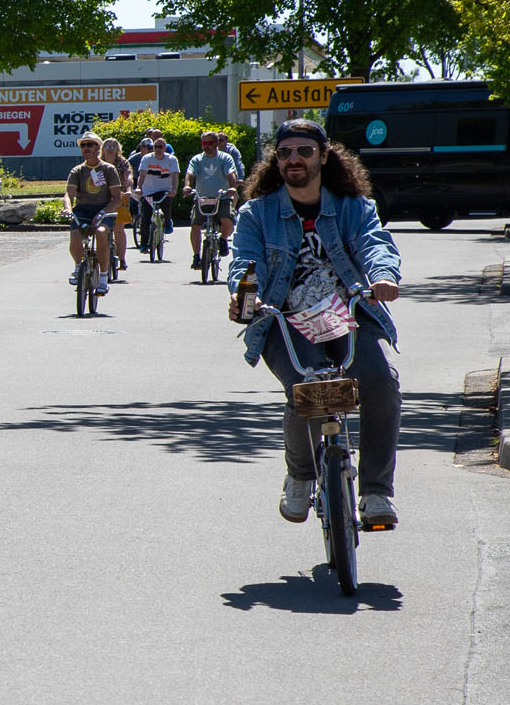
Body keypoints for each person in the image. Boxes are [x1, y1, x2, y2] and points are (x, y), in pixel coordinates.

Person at [227, 118, 402, 528]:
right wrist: (241, 293)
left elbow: (374, 243)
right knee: (308, 388)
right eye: (285, 152)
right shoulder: (257, 213)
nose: (294, 159)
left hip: (350, 315)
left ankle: (376, 492)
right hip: (286, 321)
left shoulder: (353, 207)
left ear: (324, 156)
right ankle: (301, 475)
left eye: (304, 151)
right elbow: (244, 260)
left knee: (380, 383)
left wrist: (383, 277)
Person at [62, 131, 122, 292]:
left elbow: (117, 198)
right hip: (82, 210)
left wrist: (103, 212)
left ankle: (103, 277)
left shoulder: (108, 169)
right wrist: (68, 209)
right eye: (83, 145)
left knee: (102, 233)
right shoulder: (77, 171)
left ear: (98, 148)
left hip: (104, 210)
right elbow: (69, 194)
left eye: (90, 144)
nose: (86, 148)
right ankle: (78, 267)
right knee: (75, 235)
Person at [185, 130, 240, 269]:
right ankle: (196, 256)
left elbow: (230, 173)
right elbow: (190, 173)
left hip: (221, 197)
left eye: (209, 143)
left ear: (216, 144)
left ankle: (222, 240)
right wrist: (187, 186)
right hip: (202, 198)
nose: (206, 146)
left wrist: (232, 187)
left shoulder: (225, 158)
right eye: (204, 143)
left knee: (227, 218)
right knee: (195, 225)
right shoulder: (197, 159)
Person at [136, 136, 180, 252]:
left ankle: (168, 221)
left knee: (166, 205)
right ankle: (144, 244)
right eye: (155, 147)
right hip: (148, 191)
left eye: (160, 147)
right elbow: (142, 175)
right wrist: (139, 188)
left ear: (165, 148)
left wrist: (174, 190)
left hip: (164, 190)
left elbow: (175, 176)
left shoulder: (171, 160)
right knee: (146, 217)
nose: (158, 149)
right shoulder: (147, 158)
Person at [101, 136, 135, 270]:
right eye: (107, 147)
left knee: (119, 229)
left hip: (120, 197)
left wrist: (128, 190)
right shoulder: (98, 163)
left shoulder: (122, 162)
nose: (110, 150)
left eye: (113, 147)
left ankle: (122, 259)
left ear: (117, 150)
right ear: (102, 149)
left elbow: (129, 176)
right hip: (102, 198)